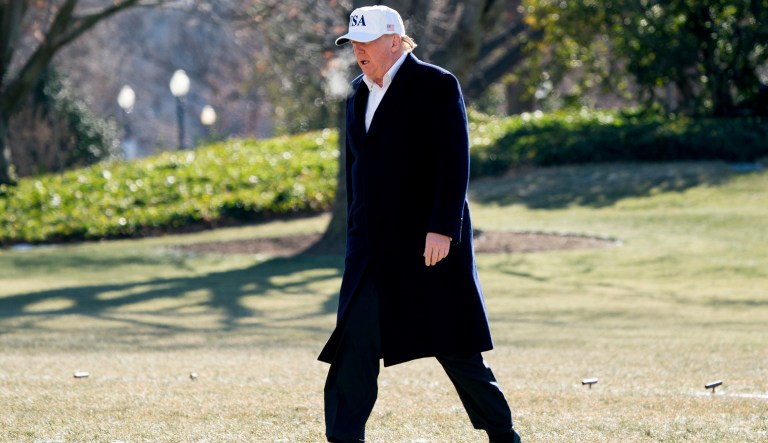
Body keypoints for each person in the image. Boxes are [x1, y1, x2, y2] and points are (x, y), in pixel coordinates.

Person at [318, 5, 521, 443]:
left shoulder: (437, 84)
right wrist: (355, 238)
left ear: (395, 39)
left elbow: (454, 161)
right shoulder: (356, 94)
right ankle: (344, 437)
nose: (358, 51)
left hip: (430, 245)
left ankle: (502, 433)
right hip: (371, 251)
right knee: (354, 342)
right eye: (353, 43)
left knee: (454, 345)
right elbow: (357, 173)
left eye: (366, 41)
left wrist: (443, 228)